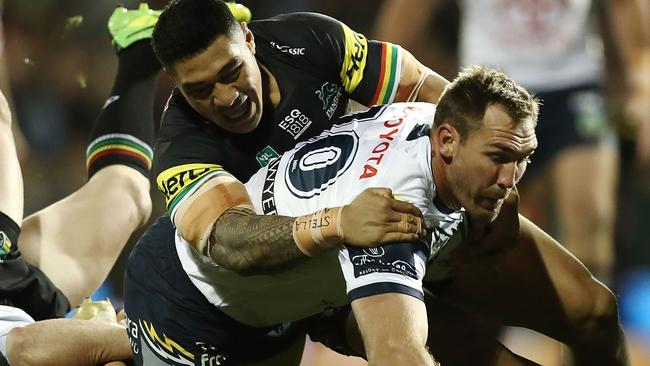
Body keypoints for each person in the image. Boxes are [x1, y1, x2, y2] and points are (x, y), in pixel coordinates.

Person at [124, 66, 628, 366]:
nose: (511, 177)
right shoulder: (391, 215)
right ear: (447, 143)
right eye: (500, 158)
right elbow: (398, 355)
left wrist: (498, 179)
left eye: (522, 158)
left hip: (310, 262)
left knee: (596, 312)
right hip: (207, 299)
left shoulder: (440, 119)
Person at [374, 0, 650, 288]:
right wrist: (385, 92)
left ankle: (582, 327)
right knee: (479, 240)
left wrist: (642, 86)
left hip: (575, 84)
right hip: (490, 88)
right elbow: (411, 8)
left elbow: (625, 5)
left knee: (591, 229)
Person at [0, 12, 158, 362]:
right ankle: (141, 45)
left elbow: (25, 347)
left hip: (19, 332)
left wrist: (164, 334)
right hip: (18, 300)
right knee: (128, 196)